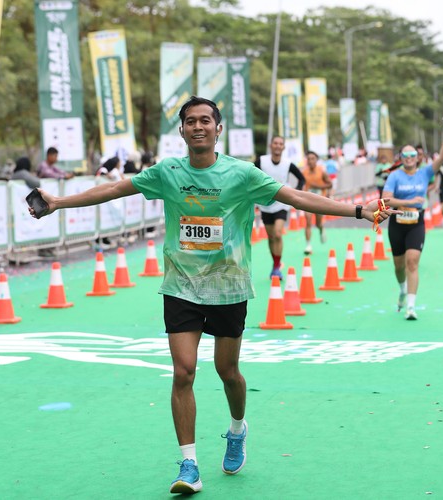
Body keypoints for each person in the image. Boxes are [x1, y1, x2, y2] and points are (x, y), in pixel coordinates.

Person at [30, 96, 394, 495]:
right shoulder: (168, 172)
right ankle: (189, 464)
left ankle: (237, 428)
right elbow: (116, 188)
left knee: (228, 372)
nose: (198, 126)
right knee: (183, 371)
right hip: (181, 286)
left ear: (218, 129)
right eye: (191, 121)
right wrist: (58, 202)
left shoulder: (242, 173)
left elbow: (296, 198)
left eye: (206, 120)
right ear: (182, 130)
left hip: (228, 286)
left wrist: (357, 211)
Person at [382, 119, 443, 320]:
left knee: (412, 262)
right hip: (397, 222)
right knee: (399, 266)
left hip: (417, 223)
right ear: (400, 158)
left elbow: (442, 157)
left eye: (412, 155)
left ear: (418, 157)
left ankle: (411, 307)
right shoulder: (395, 176)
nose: (409, 158)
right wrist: (409, 201)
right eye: (405, 155)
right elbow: (385, 200)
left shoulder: (425, 173)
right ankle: (402, 289)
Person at [255, 135, 305, 279]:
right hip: (265, 204)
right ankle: (275, 264)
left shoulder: (288, 164)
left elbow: (301, 179)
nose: (277, 146)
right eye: (275, 143)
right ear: (271, 145)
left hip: (282, 203)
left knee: (277, 234)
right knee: (271, 237)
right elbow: (249, 175)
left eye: (280, 144)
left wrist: (295, 193)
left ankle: (277, 267)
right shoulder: (261, 161)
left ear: (283, 147)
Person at [301, 151, 332, 255]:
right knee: (308, 221)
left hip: (319, 201)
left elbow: (330, 184)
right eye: (308, 159)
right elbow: (301, 185)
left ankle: (321, 229)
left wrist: (317, 187)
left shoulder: (322, 171)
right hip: (308, 201)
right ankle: (308, 245)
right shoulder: (304, 172)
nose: (310, 161)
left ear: (316, 160)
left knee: (318, 223)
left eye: (313, 158)